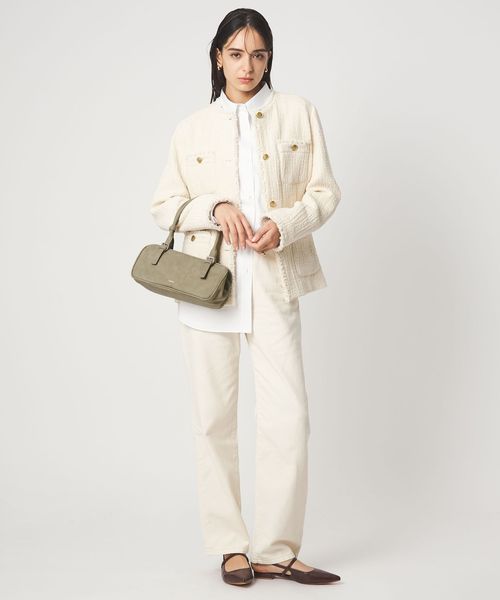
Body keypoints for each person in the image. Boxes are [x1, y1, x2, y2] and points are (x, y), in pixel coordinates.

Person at [150, 8, 342, 586]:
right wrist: (215, 206)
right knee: (214, 421)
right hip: (208, 288)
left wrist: (287, 223)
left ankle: (276, 549)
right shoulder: (191, 129)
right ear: (218, 57)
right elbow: (164, 205)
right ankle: (231, 546)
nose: (247, 66)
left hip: (275, 281)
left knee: (289, 417)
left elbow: (325, 192)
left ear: (269, 58)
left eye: (258, 54)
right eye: (236, 54)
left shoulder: (297, 113)